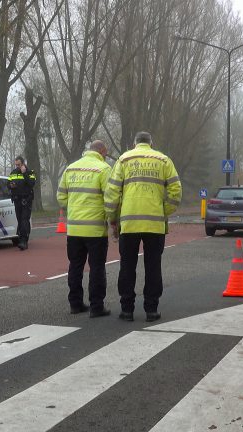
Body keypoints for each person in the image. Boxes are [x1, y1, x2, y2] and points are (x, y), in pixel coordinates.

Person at [104, 131, 182, 322]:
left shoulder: (123, 160)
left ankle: (127, 310)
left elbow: (112, 192)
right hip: (154, 224)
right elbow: (176, 191)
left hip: (129, 223)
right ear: (151, 143)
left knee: (127, 266)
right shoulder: (164, 161)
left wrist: (113, 218)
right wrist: (164, 211)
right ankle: (151, 309)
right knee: (153, 266)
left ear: (135, 143)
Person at [57, 141, 112, 317]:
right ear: (102, 151)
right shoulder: (103, 169)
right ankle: (96, 306)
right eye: (106, 153)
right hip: (95, 229)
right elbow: (110, 199)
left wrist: (72, 209)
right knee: (96, 268)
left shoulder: (71, 168)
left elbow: (61, 197)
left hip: (73, 229)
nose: (106, 156)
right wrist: (111, 219)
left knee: (75, 266)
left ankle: (75, 304)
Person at [8, 155, 37, 250]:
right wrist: (10, 185)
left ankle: (23, 241)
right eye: (16, 164)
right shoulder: (13, 173)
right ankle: (24, 238)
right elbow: (8, 183)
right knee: (20, 220)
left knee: (24, 220)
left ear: (23, 164)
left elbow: (31, 184)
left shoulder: (30, 173)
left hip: (26, 200)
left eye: (19, 165)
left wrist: (24, 173)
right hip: (17, 200)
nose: (17, 166)